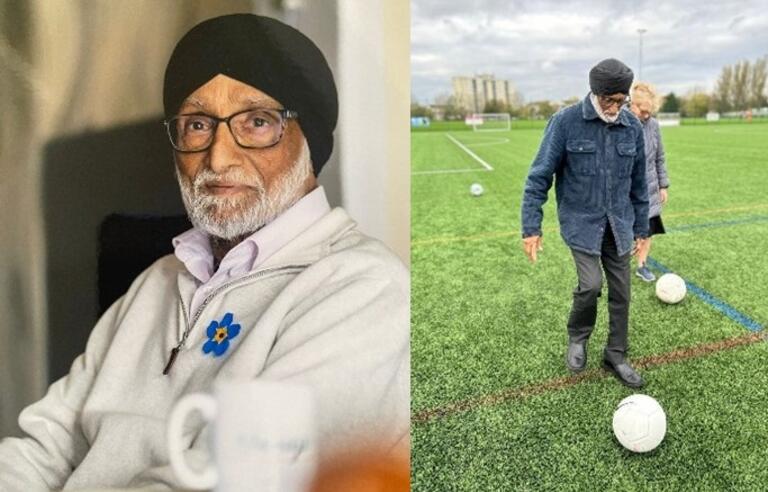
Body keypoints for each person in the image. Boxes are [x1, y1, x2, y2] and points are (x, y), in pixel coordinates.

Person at [0, 14, 409, 490]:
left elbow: (230, 483)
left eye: (257, 122)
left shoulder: (363, 291)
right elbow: (44, 448)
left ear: (309, 141)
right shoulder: (157, 281)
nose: (218, 157)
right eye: (197, 124)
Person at [520, 58, 649, 388]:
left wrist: (641, 229)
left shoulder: (632, 127)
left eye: (622, 102)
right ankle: (578, 337)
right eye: (610, 101)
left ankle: (616, 354)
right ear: (595, 93)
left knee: (622, 292)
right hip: (581, 223)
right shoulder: (565, 122)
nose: (615, 108)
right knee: (591, 285)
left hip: (619, 223)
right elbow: (539, 176)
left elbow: (638, 183)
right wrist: (531, 226)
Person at [630, 82, 670, 282]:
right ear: (632, 104)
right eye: (643, 111)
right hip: (626, 191)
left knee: (647, 231)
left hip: (650, 189)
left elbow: (659, 157)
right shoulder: (621, 123)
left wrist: (663, 185)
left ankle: (642, 265)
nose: (646, 115)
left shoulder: (653, 125)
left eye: (650, 112)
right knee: (622, 232)